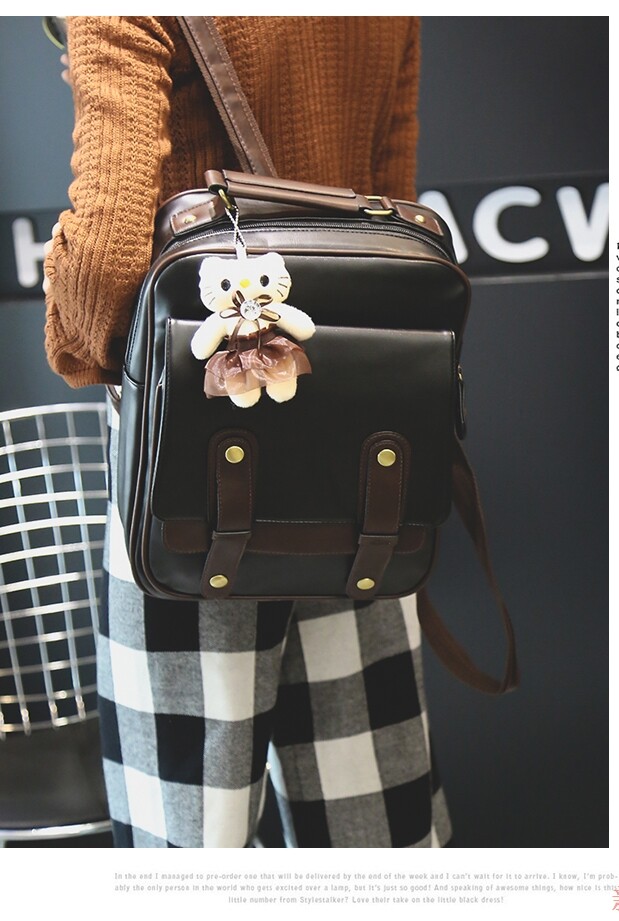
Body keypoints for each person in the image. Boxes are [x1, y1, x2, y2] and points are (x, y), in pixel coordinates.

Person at [42, 15, 452, 849]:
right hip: (355, 447)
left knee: (190, 838)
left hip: (194, 460)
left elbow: (103, 269)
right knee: (375, 829)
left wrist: (76, 329)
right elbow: (390, 238)